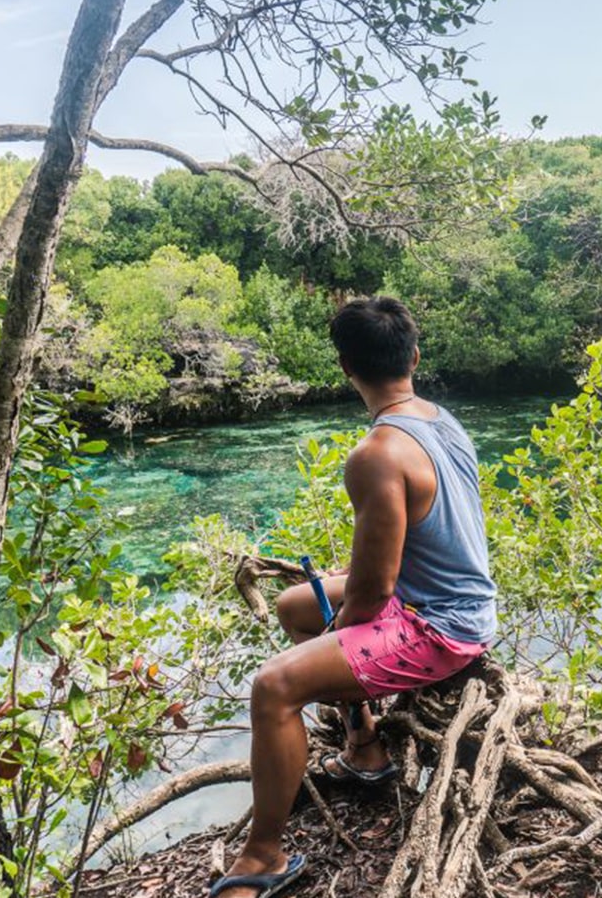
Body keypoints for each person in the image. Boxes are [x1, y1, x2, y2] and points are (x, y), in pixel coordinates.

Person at [210, 297, 497, 898]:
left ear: (345, 368)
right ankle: (364, 747)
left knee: (273, 685)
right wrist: (343, 612)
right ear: (413, 357)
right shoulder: (441, 419)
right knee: (295, 606)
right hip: (455, 600)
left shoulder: (376, 454)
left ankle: (262, 857)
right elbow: (408, 546)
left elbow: (372, 593)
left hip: (439, 626)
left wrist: (343, 627)